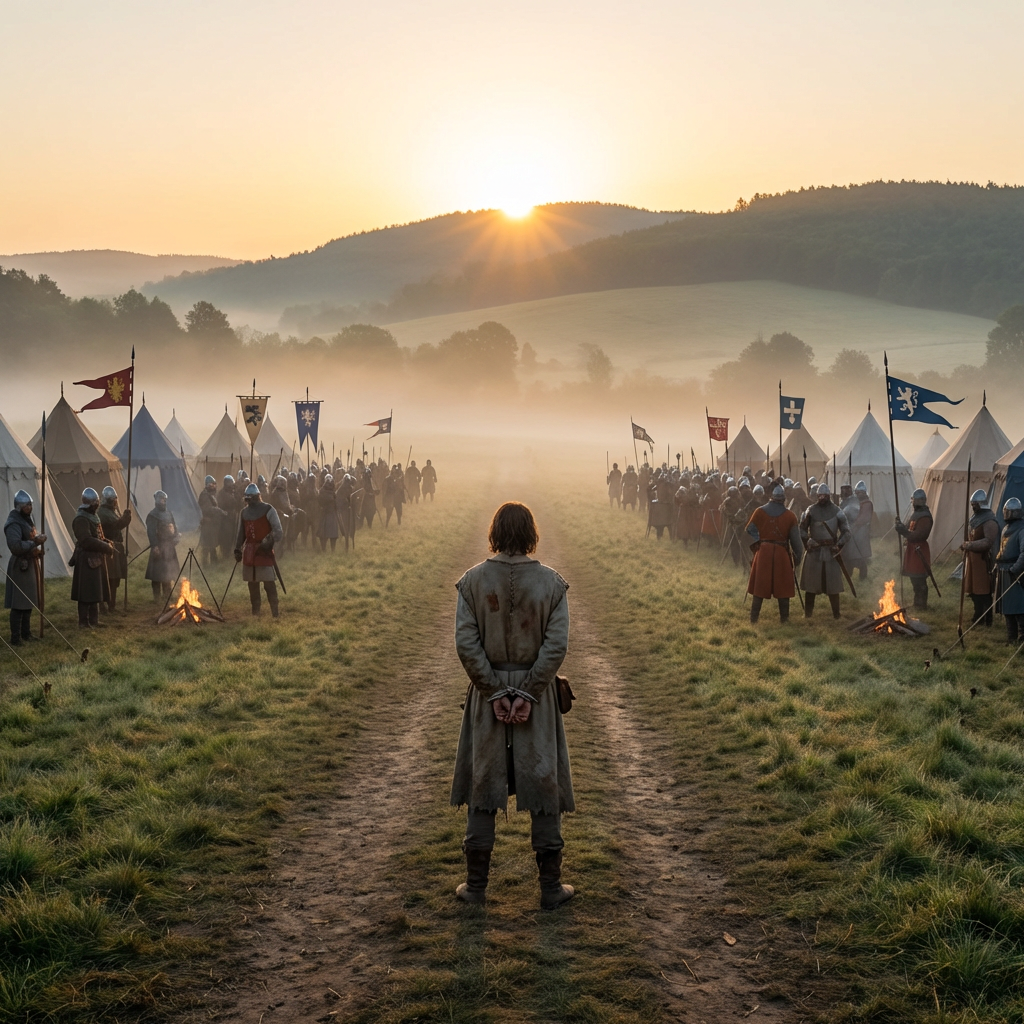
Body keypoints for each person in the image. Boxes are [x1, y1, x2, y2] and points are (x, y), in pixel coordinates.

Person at [450, 501, 574, 910]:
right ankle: (550, 889)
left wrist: (496, 693)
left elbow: (467, 645)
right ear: (531, 534)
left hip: (492, 700)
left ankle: (477, 888)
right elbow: (555, 646)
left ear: (495, 532)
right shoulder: (552, 584)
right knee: (543, 782)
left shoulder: (472, 581)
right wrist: (527, 693)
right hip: (532, 701)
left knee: (483, 783)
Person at [745, 484, 803, 623]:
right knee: (783, 586)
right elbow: (796, 542)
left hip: (763, 552)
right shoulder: (790, 516)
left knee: (760, 586)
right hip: (781, 554)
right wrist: (797, 558)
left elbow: (749, 530)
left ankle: (754, 619)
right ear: (783, 499)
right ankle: (784, 619)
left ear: (771, 497)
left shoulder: (759, 511)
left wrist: (760, 542)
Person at [799, 483, 851, 619]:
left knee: (833, 586)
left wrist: (838, 545)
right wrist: (808, 542)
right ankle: (808, 615)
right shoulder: (810, 510)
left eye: (824, 496)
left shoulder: (838, 511)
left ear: (829, 496)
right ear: (817, 496)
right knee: (811, 586)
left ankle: (836, 615)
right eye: (820, 496)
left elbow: (846, 532)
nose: (822, 498)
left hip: (831, 552)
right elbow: (802, 529)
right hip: (814, 551)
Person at [235, 482, 284, 617]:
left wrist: (268, 541)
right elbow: (241, 533)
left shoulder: (268, 509)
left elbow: (278, 531)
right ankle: (255, 613)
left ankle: (275, 613)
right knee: (252, 585)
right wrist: (237, 548)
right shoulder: (244, 512)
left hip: (264, 552)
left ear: (257, 497)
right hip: (250, 553)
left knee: (269, 584)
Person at [5, 490, 47, 645]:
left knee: (28, 600)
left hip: (30, 563)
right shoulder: (13, 523)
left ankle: (26, 633)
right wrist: (35, 542)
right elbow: (15, 546)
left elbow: (29, 540)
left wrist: (36, 551)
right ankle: (15, 638)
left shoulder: (26, 520)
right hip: (20, 565)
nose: (29, 507)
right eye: (26, 505)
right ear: (18, 506)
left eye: (30, 504)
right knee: (19, 603)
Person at [70, 487, 114, 628]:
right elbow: (86, 540)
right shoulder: (81, 519)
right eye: (96, 502)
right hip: (86, 559)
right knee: (86, 593)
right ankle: (84, 622)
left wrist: (105, 542)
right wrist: (104, 547)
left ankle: (94, 620)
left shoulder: (93, 516)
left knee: (95, 590)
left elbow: (98, 536)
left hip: (96, 557)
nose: (97, 504)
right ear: (90, 503)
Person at [960, 488, 1000, 626]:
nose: (973, 507)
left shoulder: (989, 521)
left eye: (975, 504)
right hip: (973, 561)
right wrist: (966, 544)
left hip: (983, 561)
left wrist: (970, 545)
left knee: (983, 592)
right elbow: (972, 535)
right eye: (972, 504)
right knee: (974, 591)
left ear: (981, 503)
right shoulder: (976, 519)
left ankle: (986, 619)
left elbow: (988, 542)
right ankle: (978, 615)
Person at [896, 489, 934, 610]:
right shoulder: (916, 514)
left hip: (919, 549)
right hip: (912, 549)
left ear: (921, 501)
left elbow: (919, 535)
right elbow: (908, 528)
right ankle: (916, 602)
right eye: (913, 500)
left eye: (915, 500)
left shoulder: (925, 517)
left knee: (920, 579)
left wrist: (904, 531)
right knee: (914, 579)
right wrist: (900, 525)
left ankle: (921, 604)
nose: (913, 502)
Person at [97, 486, 132, 610]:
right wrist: (125, 518)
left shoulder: (111, 511)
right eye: (114, 499)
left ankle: (111, 604)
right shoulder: (103, 513)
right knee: (109, 578)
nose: (116, 501)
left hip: (115, 547)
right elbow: (116, 525)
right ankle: (104, 604)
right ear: (109, 500)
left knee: (115, 578)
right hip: (108, 549)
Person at [995, 497, 1024, 644]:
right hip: (1004, 571)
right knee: (1007, 607)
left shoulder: (1022, 529)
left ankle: (1021, 638)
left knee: (1019, 607)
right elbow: (1003, 550)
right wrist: (998, 564)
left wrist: (1015, 569)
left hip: (1016, 574)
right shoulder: (1006, 529)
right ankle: (1011, 637)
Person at [145, 490, 180, 601]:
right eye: (161, 499)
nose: (163, 501)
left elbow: (174, 526)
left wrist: (175, 536)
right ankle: (157, 597)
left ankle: (167, 595)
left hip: (169, 546)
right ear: (156, 500)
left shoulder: (169, 513)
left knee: (167, 572)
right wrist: (155, 546)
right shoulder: (153, 515)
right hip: (159, 546)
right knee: (157, 574)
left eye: (164, 500)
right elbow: (151, 532)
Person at [198, 475, 225, 564]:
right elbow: (207, 509)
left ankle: (214, 561)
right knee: (206, 544)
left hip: (212, 523)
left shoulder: (211, 494)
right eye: (212, 484)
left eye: (214, 484)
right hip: (207, 522)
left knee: (212, 543)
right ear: (208, 485)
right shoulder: (204, 495)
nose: (214, 486)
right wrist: (219, 511)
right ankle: (205, 564)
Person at [217, 475, 240, 555]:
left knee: (233, 535)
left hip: (232, 518)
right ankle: (225, 554)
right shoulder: (222, 493)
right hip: (225, 519)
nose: (232, 485)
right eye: (230, 483)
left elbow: (238, 503)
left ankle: (231, 552)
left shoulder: (232, 492)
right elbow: (226, 504)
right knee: (227, 537)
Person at [317, 475, 340, 552]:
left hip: (326, 514)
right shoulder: (331, 492)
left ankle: (326, 550)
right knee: (328, 534)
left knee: (324, 534)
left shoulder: (322, 491)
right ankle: (330, 550)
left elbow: (319, 502)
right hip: (329, 514)